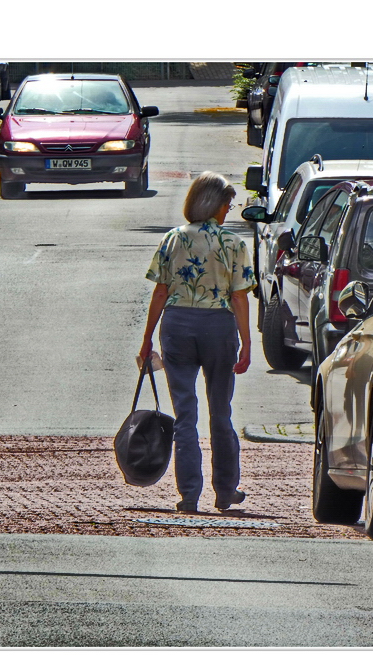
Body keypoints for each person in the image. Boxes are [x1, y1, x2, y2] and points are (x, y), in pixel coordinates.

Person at [140, 172, 256, 513]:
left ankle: (189, 494)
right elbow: (239, 298)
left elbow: (160, 291)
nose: (228, 212)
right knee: (221, 413)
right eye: (227, 205)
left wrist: (147, 339)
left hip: (177, 326)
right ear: (218, 206)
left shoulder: (173, 239)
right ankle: (225, 490)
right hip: (218, 329)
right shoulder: (234, 244)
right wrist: (247, 343)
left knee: (184, 414)